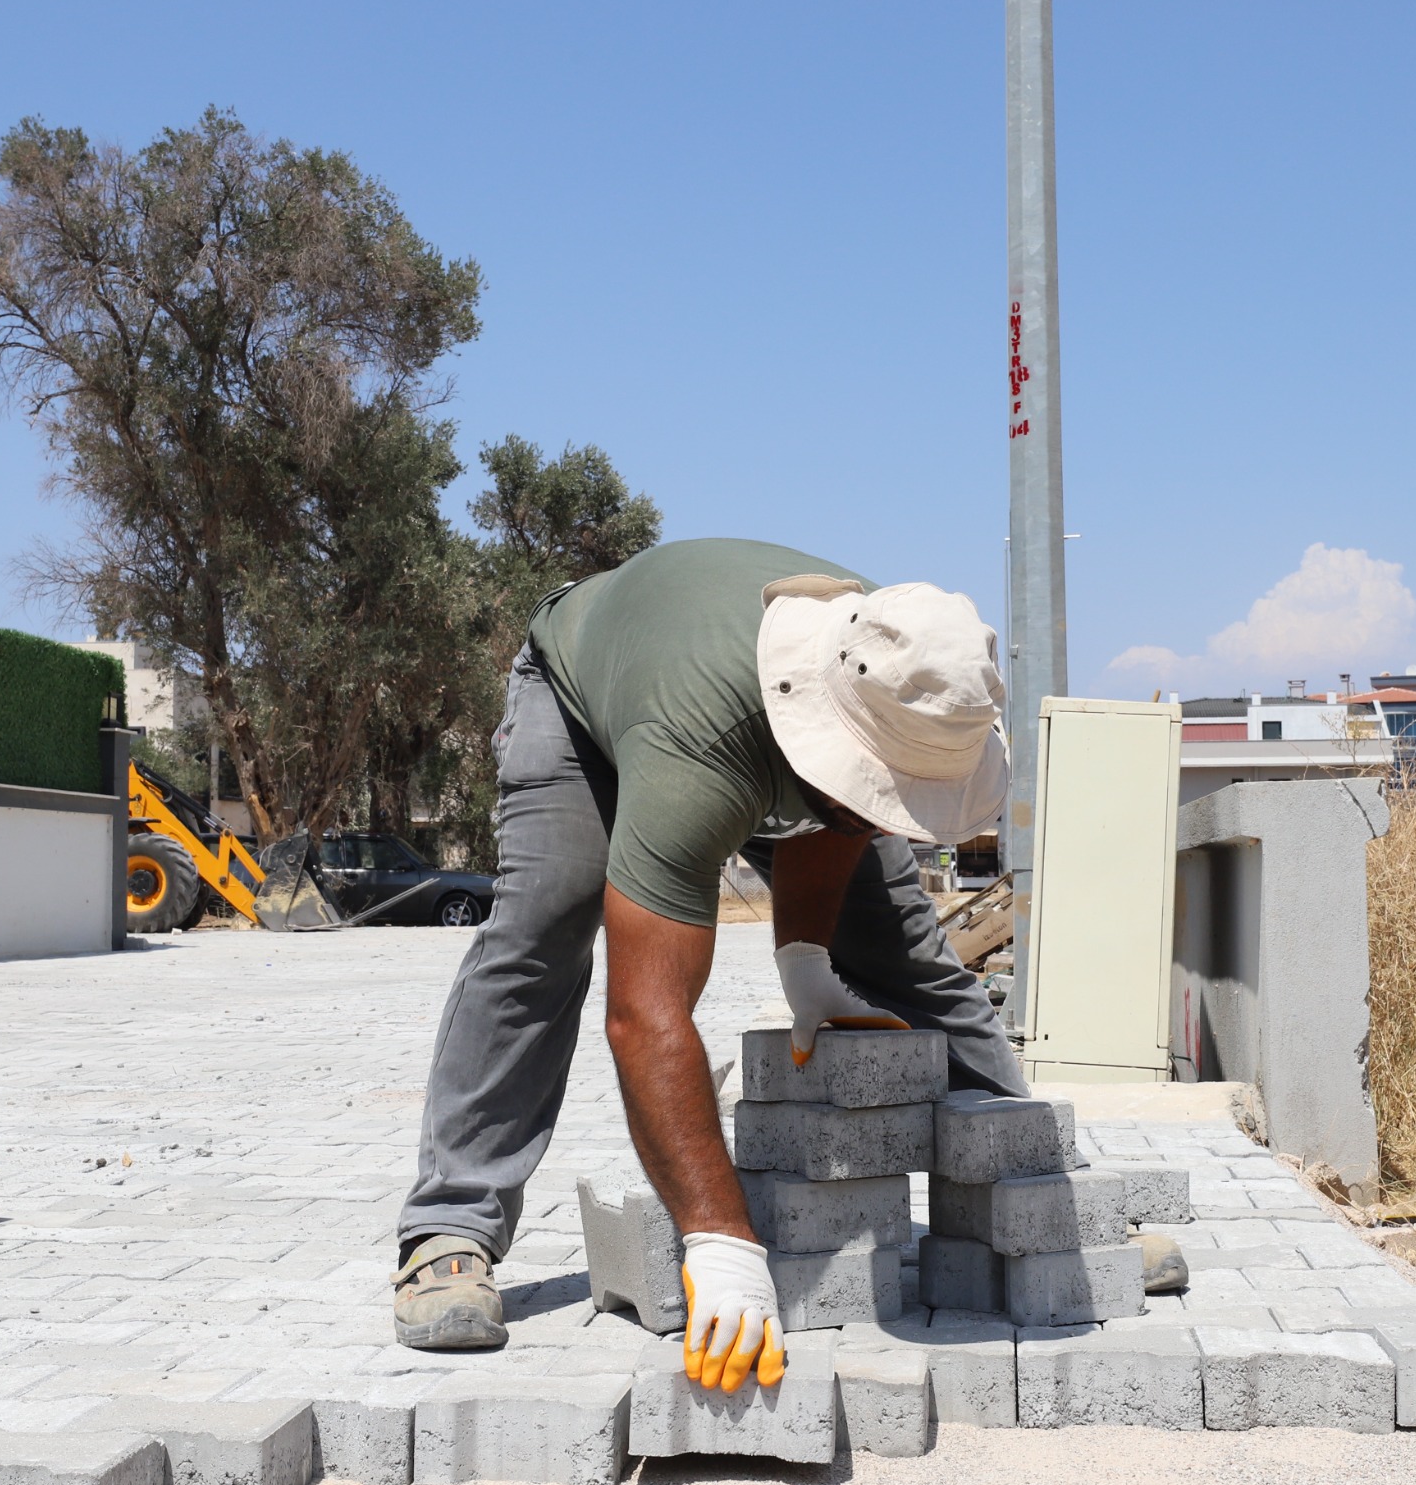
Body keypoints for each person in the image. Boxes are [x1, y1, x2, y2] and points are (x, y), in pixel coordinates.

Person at [393, 537, 1029, 1393]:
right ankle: (449, 1227)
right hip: (585, 696)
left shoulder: (919, 664)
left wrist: (806, 959)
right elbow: (645, 1017)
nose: (890, 811)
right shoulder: (706, 739)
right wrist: (722, 1240)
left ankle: (1030, 1192)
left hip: (751, 708)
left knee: (905, 952)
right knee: (545, 927)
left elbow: (844, 815)